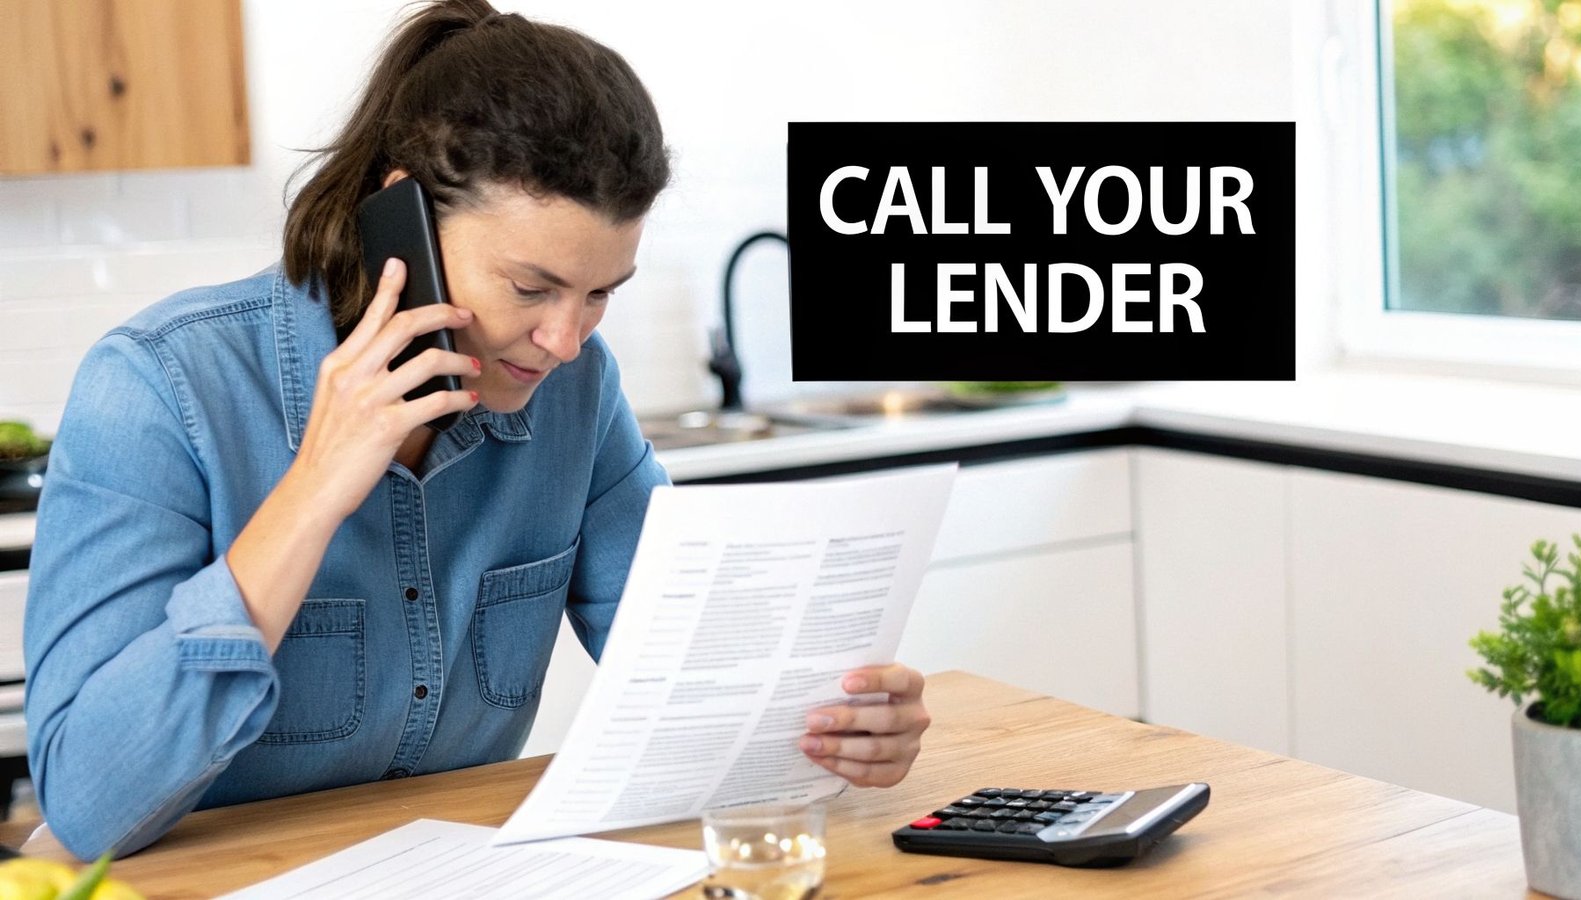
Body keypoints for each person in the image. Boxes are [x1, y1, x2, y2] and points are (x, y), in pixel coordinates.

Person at [23, 0, 930, 861]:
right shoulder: (158, 386)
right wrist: (312, 493)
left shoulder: (575, 392)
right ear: (401, 225)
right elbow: (88, 803)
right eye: (531, 289)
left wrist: (830, 726)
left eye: (601, 292)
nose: (566, 341)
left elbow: (692, 672)